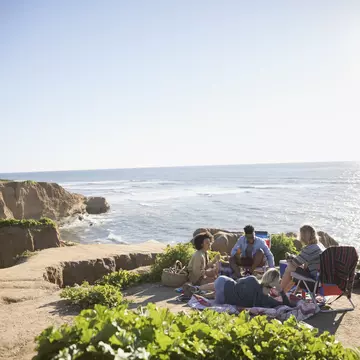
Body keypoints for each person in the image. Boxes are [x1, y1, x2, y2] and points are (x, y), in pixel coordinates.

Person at [184, 268, 294, 308]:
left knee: (226, 284)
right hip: (224, 300)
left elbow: (238, 281)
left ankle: (198, 288)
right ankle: (201, 295)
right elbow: (286, 305)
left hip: (223, 283)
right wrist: (281, 291)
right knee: (220, 295)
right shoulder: (266, 299)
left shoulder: (252, 279)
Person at [280, 224, 325, 292]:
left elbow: (294, 264)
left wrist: (290, 260)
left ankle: (280, 291)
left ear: (302, 236)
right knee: (298, 268)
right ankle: (289, 292)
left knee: (289, 267)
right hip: (326, 283)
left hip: (315, 284)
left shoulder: (310, 248)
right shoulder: (320, 246)